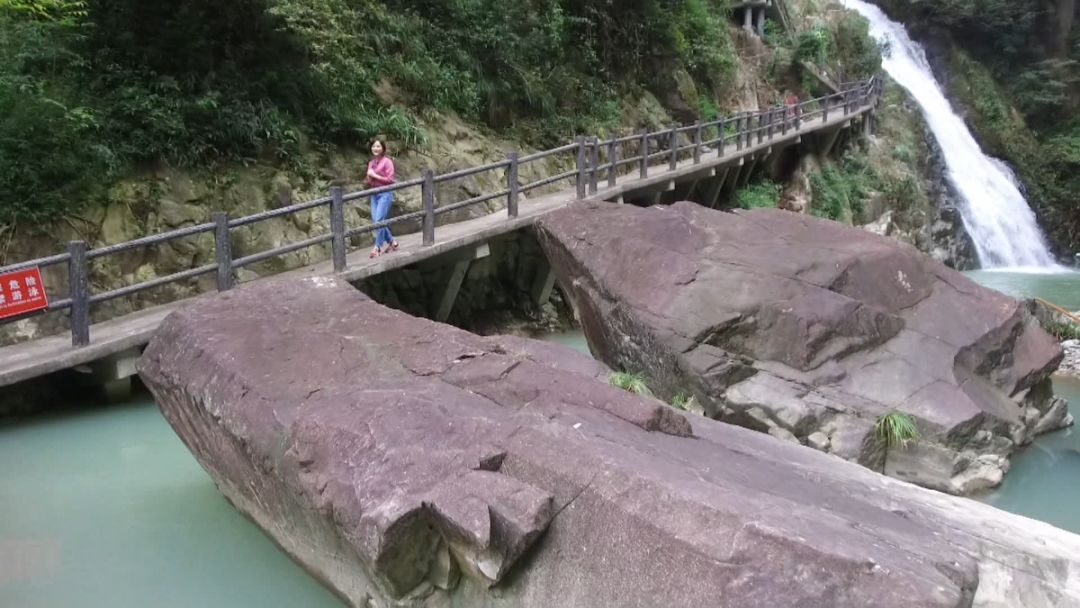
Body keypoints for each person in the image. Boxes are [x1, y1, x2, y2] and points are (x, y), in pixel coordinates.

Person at [366, 139, 399, 257]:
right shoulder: (371, 163)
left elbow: (390, 179)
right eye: (374, 146)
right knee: (377, 221)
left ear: (383, 148)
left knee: (379, 220)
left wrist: (375, 175)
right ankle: (392, 242)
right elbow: (369, 182)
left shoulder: (387, 162)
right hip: (374, 194)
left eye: (378, 146)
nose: (375, 148)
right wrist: (369, 177)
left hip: (385, 193)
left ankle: (377, 247)